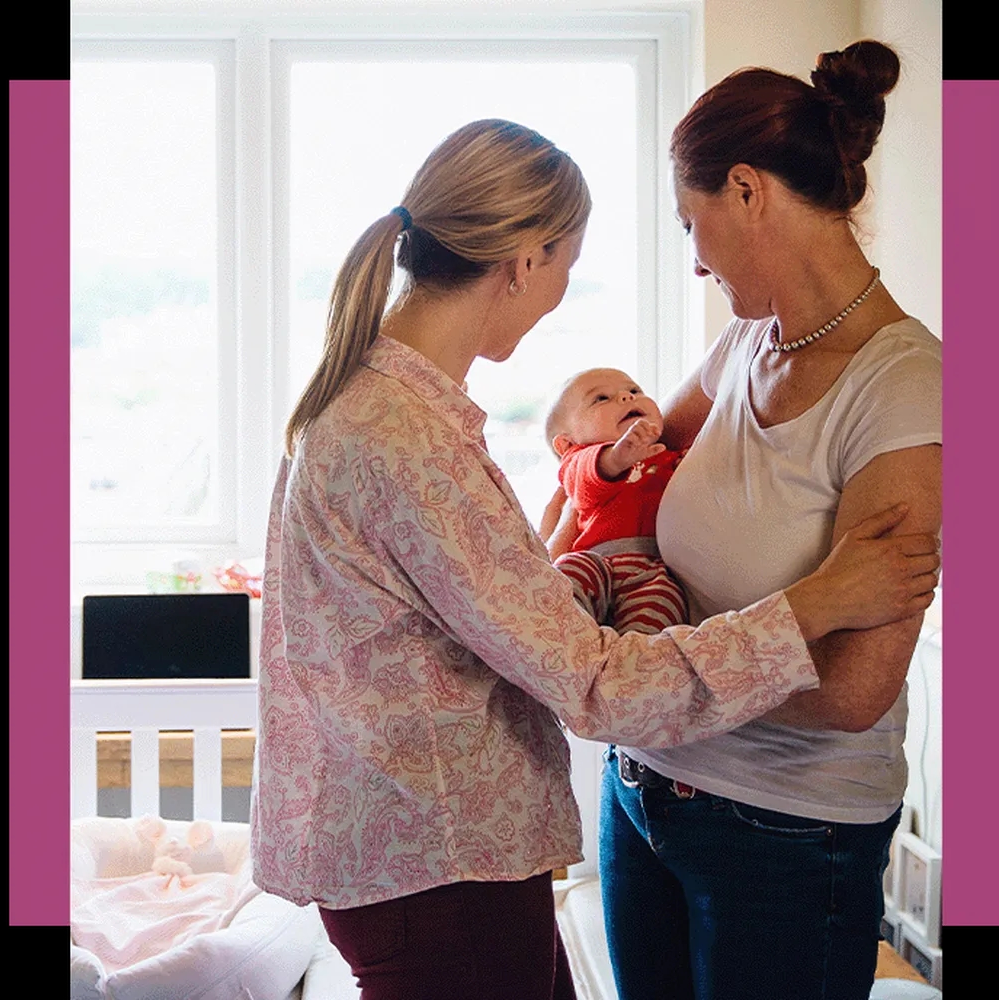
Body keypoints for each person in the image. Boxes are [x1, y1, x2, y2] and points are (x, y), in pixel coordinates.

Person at [248, 118, 940, 1000]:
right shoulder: (404, 439)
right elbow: (597, 685)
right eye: (567, 266)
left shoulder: (378, 407)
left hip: (437, 850)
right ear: (525, 260)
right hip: (440, 858)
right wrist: (817, 601)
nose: (561, 296)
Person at [584, 41, 942, 1000]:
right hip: (641, 791)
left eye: (690, 224)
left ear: (747, 191)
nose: (694, 261)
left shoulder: (906, 388)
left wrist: (650, 667)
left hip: (786, 834)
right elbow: (626, 473)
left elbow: (854, 689)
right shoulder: (744, 344)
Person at [544, 367, 687, 634]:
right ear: (566, 445)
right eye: (601, 399)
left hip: (652, 567)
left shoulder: (666, 455)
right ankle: (557, 637)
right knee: (565, 576)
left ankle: (636, 660)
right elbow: (589, 477)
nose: (625, 397)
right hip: (595, 559)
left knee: (662, 601)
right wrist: (617, 457)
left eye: (635, 391)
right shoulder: (578, 462)